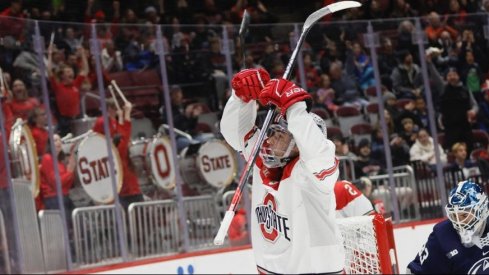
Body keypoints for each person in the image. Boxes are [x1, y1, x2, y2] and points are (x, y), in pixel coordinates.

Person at [220, 68, 345, 273]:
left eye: (281, 136)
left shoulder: (313, 173)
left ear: (298, 143)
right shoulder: (263, 159)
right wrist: (240, 98)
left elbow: (315, 149)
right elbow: (235, 134)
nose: (270, 140)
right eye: (273, 133)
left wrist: (295, 106)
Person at [407, 181, 489, 274]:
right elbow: (414, 271)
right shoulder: (442, 236)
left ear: (482, 210)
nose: (458, 222)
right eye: (454, 215)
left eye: (464, 215)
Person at [39, 133, 76, 220]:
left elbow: (67, 185)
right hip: (53, 199)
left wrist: (70, 170)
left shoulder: (60, 162)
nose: (58, 142)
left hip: (63, 197)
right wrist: (70, 172)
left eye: (59, 140)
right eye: (55, 140)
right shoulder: (47, 158)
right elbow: (56, 183)